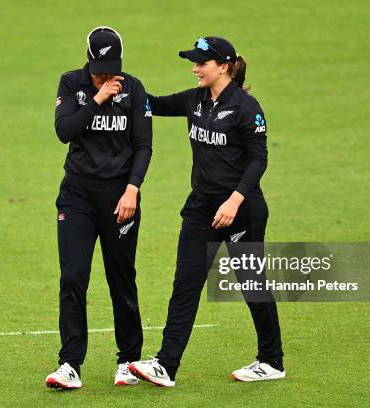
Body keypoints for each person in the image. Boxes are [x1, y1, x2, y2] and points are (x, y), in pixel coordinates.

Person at [128, 36, 285, 387]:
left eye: (202, 63)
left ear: (224, 67)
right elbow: (151, 104)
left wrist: (235, 199)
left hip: (242, 211)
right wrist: (125, 90)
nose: (195, 68)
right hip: (201, 210)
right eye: (194, 62)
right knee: (186, 283)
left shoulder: (247, 107)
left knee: (251, 285)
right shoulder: (195, 99)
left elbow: (259, 158)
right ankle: (166, 365)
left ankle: (272, 361)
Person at [45, 26, 153, 390]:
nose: (108, 74)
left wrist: (132, 190)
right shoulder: (70, 83)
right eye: (100, 67)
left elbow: (143, 145)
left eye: (113, 67)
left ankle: (129, 360)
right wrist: (98, 99)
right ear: (88, 59)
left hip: (120, 198)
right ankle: (70, 364)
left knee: (121, 278)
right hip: (76, 196)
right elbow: (64, 130)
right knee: (73, 276)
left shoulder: (135, 89)